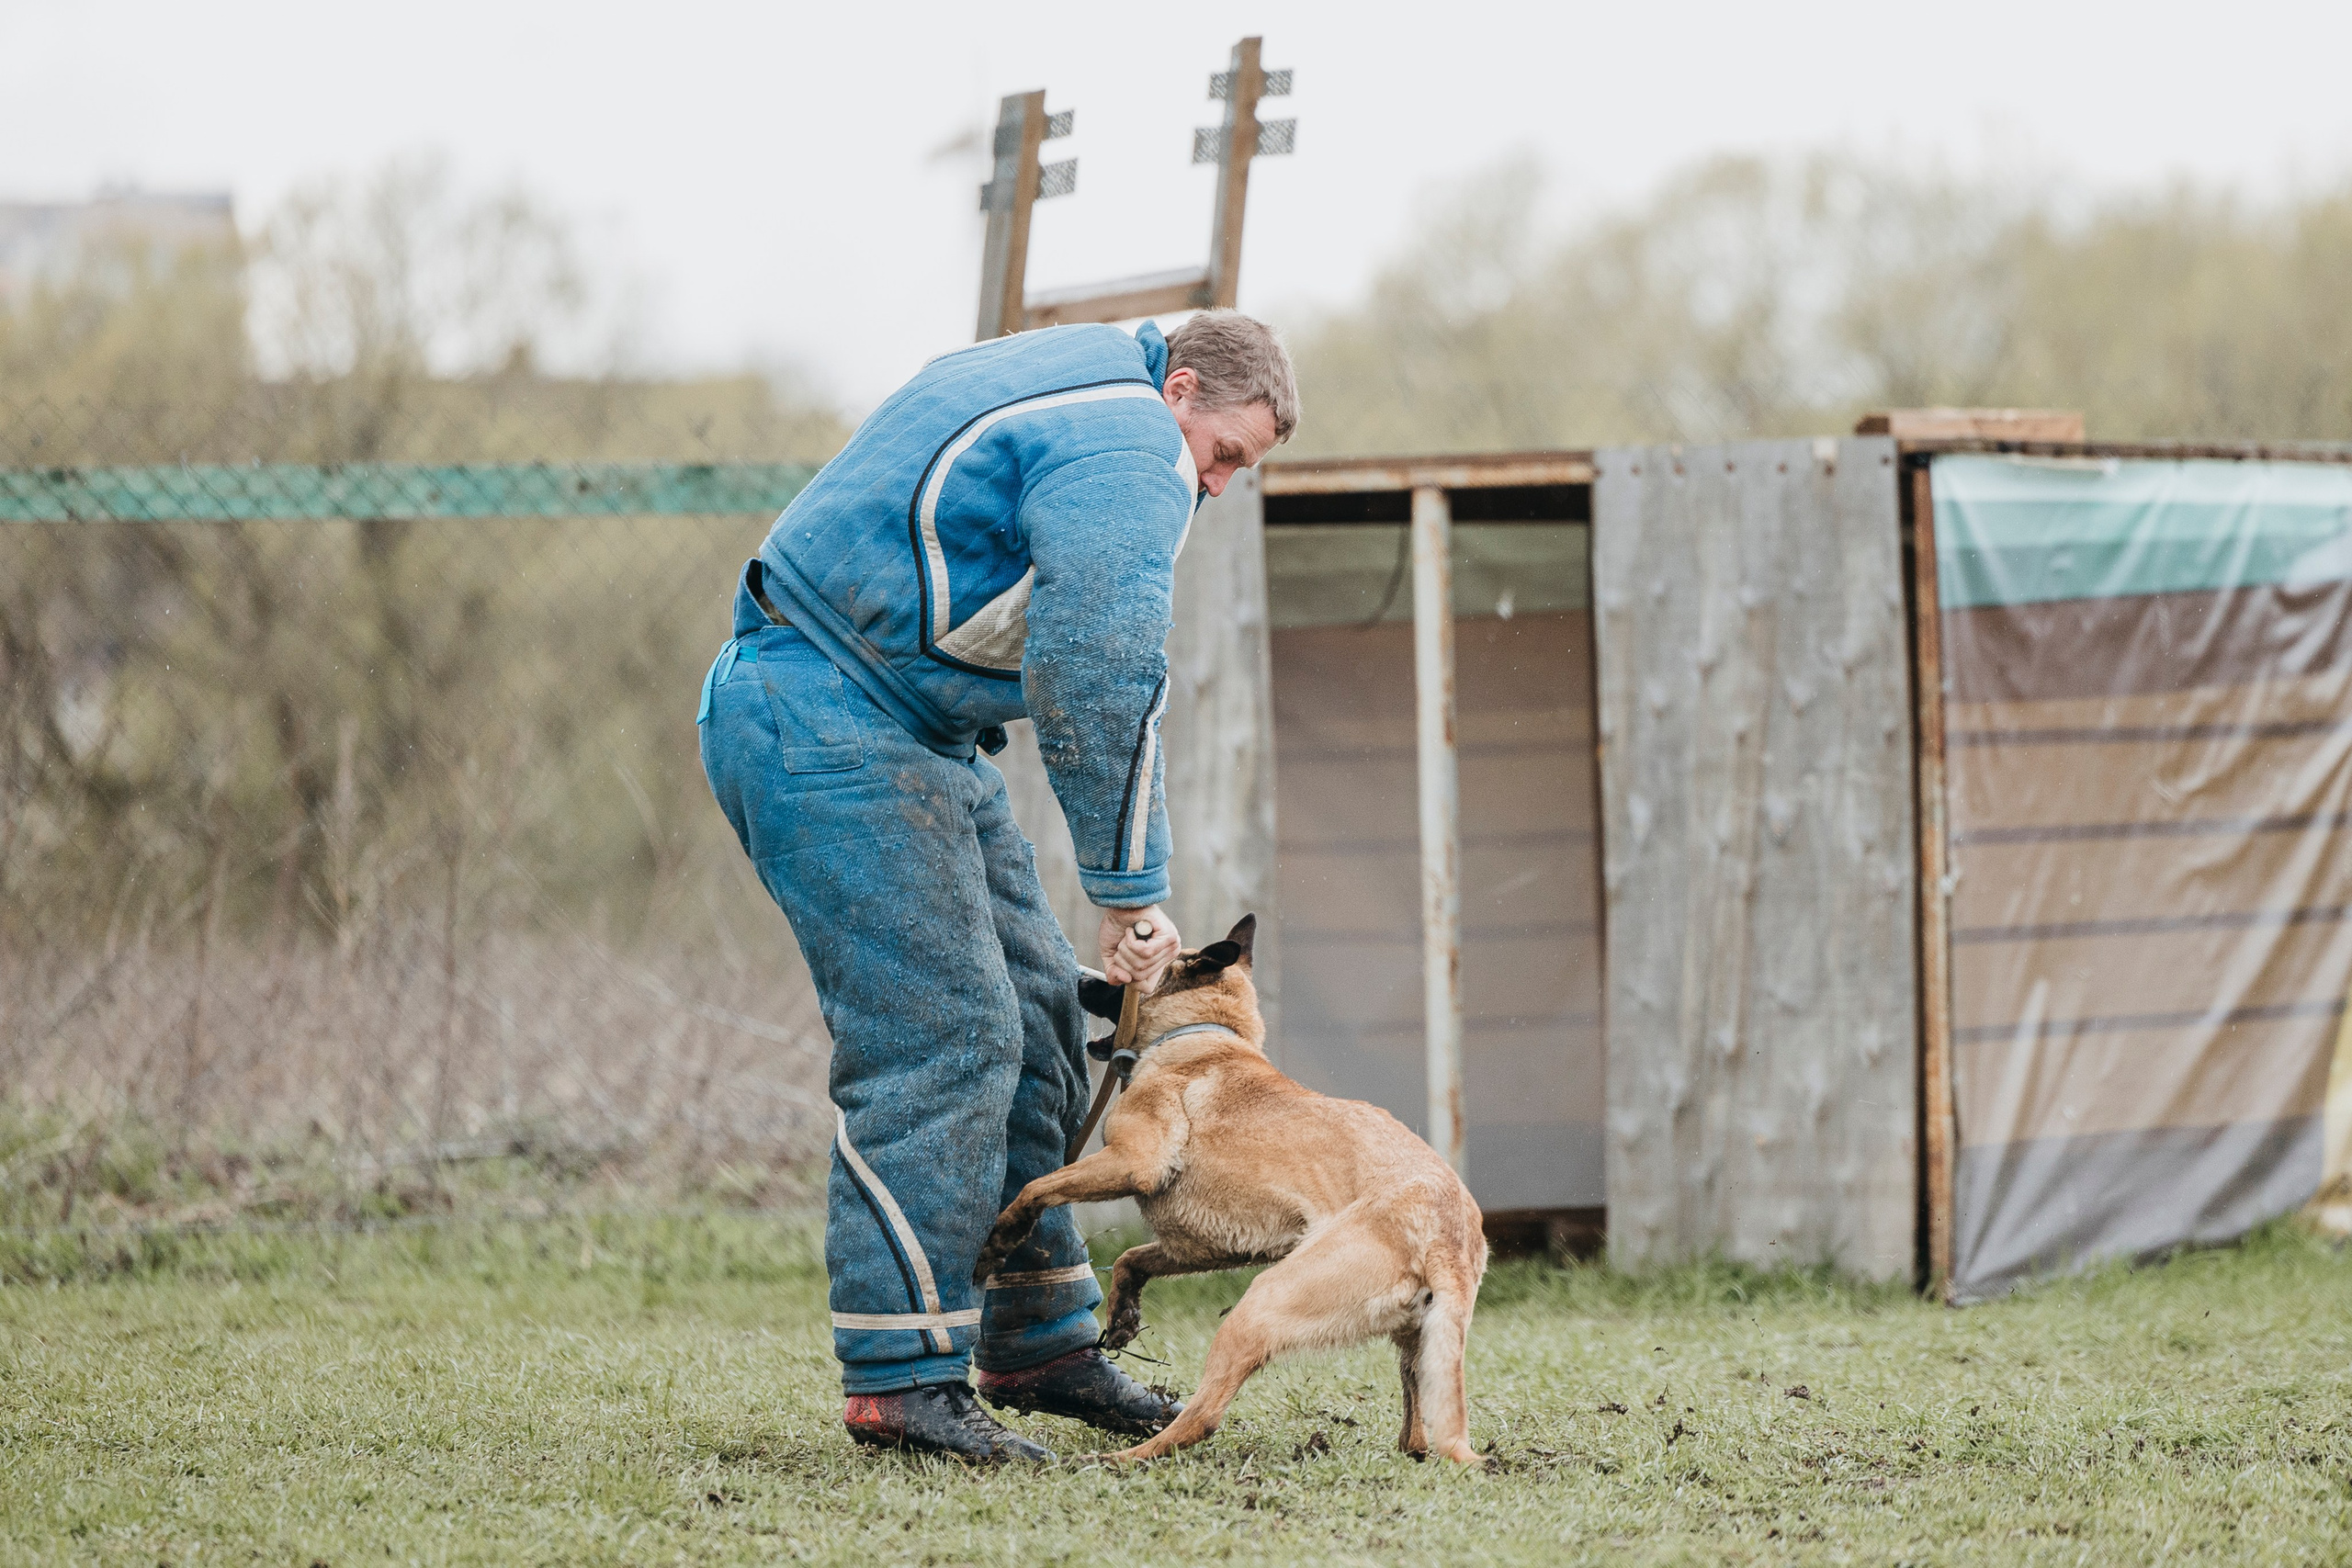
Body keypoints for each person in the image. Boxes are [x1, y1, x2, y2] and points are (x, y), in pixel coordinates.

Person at [696, 311, 1298, 1462]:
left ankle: (1039, 1347)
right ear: (1183, 392)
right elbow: (1099, 662)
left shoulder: (1070, 381)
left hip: (895, 717)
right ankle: (901, 1383)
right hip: (825, 710)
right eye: (1223, 455)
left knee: (1032, 1019)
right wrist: (1131, 894)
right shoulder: (1129, 441)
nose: (1214, 487)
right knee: (946, 1037)